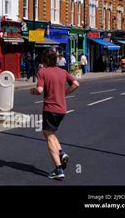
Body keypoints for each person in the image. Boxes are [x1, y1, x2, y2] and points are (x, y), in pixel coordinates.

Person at [31, 49, 80, 180]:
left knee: (49, 137)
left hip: (50, 109)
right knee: (50, 133)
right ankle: (61, 153)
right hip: (62, 109)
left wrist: (33, 91)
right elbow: (76, 84)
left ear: (45, 60)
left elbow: (39, 90)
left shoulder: (42, 71)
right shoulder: (63, 72)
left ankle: (58, 169)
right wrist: (64, 93)